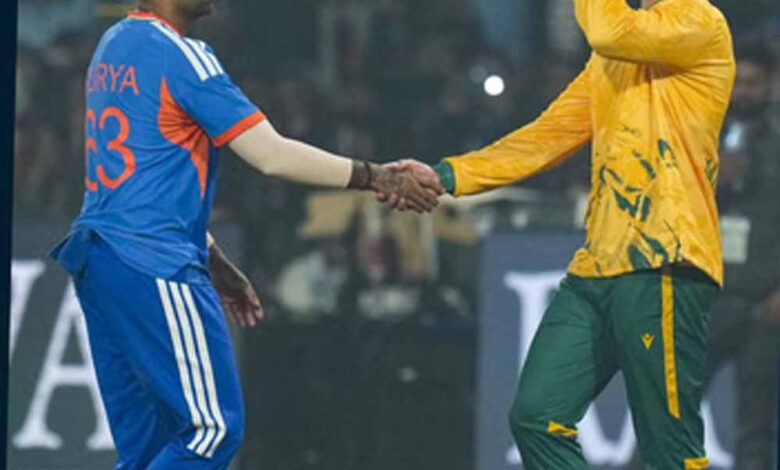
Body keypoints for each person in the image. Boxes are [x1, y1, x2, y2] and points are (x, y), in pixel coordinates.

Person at [49, 1, 440, 468]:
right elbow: (271, 155)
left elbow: (141, 177)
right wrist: (377, 176)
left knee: (147, 447)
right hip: (154, 260)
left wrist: (213, 257)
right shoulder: (184, 55)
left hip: (100, 259)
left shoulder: (113, 45)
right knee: (212, 430)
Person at [383, 0, 736, 468]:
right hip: (598, 268)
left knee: (670, 453)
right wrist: (447, 175)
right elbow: (548, 135)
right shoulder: (616, 52)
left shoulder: (700, 22)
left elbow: (610, 32)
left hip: (664, 262)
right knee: (536, 418)